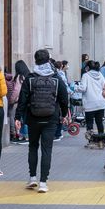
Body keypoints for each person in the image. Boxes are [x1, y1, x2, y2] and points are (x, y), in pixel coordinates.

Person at [15, 49, 70, 193]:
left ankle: (32, 177)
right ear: (48, 61)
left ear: (35, 60)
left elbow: (22, 99)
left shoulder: (30, 78)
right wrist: (64, 114)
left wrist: (18, 117)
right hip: (51, 119)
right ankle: (43, 183)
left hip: (33, 118)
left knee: (33, 147)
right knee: (47, 149)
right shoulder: (56, 78)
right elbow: (64, 99)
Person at [77, 60, 105, 137]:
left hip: (90, 103)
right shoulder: (100, 75)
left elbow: (83, 88)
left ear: (88, 67)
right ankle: (101, 139)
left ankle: (91, 140)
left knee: (89, 123)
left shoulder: (86, 75)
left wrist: (76, 88)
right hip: (101, 102)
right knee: (99, 122)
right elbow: (104, 87)